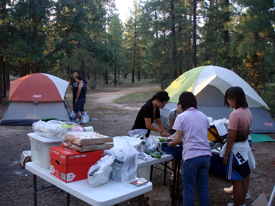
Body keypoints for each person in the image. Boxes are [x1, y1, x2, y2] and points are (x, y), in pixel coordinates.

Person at [168, 91, 212, 206]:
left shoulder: (181, 117)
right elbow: (198, 135)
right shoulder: (203, 116)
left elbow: (177, 140)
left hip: (192, 157)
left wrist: (170, 144)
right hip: (206, 156)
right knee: (203, 187)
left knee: (189, 189)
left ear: (181, 104)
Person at [220, 86, 255, 206]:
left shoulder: (235, 114)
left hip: (236, 150)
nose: (228, 102)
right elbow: (249, 131)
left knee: (236, 181)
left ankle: (236, 204)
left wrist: (226, 155)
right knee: (244, 177)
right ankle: (242, 203)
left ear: (234, 99)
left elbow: (231, 137)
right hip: (244, 147)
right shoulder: (247, 111)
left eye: (228, 99)